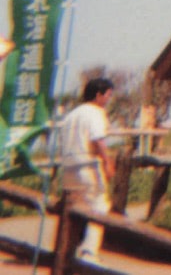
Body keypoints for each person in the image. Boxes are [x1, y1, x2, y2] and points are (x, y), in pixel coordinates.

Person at [58, 77, 115, 262]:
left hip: (68, 169)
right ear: (98, 95)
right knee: (99, 207)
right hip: (88, 167)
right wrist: (107, 162)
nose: (108, 99)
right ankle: (89, 252)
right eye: (108, 95)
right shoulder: (96, 113)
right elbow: (97, 139)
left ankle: (68, 251)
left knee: (75, 210)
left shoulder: (71, 115)